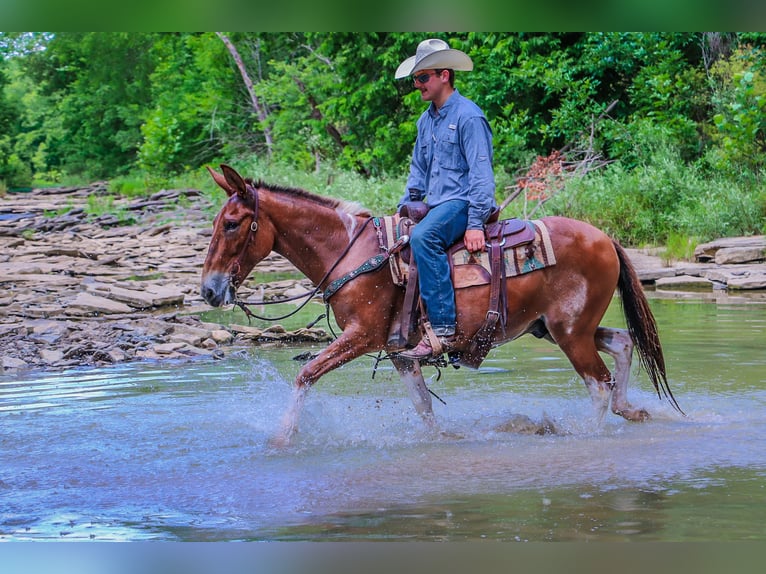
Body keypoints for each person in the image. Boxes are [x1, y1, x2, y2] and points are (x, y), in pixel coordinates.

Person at [395, 38, 497, 360]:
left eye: (423, 77)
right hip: (437, 204)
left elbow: (482, 174)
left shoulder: (469, 117)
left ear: (444, 76)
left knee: (424, 238)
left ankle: (442, 330)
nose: (417, 84)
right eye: (415, 78)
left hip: (462, 202)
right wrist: (406, 205)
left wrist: (476, 222)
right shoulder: (425, 121)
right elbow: (418, 170)